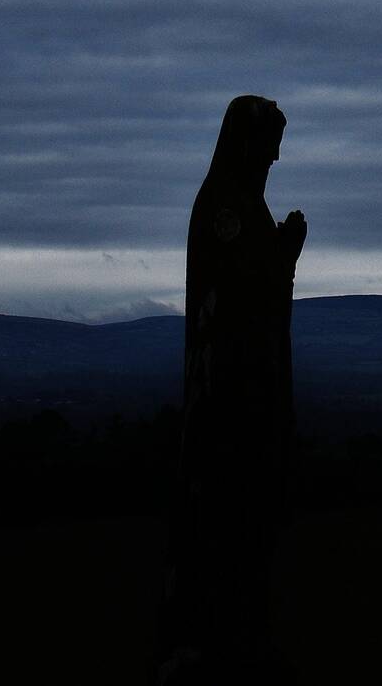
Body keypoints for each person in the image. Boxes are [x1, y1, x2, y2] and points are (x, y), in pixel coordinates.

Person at [157, 95, 306, 684]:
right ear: (246, 145)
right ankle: (220, 641)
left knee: (250, 520)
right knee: (228, 515)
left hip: (248, 386)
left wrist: (281, 255)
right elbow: (242, 294)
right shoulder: (226, 207)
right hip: (229, 394)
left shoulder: (243, 205)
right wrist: (282, 257)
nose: (274, 160)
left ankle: (244, 635)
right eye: (269, 148)